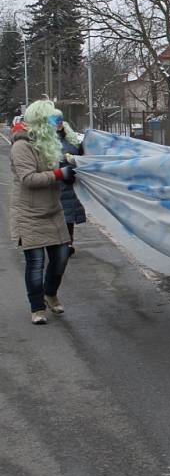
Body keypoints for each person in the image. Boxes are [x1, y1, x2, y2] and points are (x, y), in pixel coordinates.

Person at [9, 100, 74, 324]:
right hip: (29, 214)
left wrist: (73, 167)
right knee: (35, 263)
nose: (59, 123)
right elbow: (28, 179)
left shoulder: (49, 142)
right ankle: (37, 308)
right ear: (40, 121)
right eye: (54, 119)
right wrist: (59, 174)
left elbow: (70, 156)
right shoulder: (22, 146)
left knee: (61, 258)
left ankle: (50, 293)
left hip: (53, 211)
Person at [53, 110, 86, 256]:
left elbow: (77, 153)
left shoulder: (70, 137)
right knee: (57, 216)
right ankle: (58, 244)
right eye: (55, 120)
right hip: (54, 185)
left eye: (60, 120)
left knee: (68, 216)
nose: (59, 123)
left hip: (69, 185)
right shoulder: (45, 140)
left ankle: (68, 243)